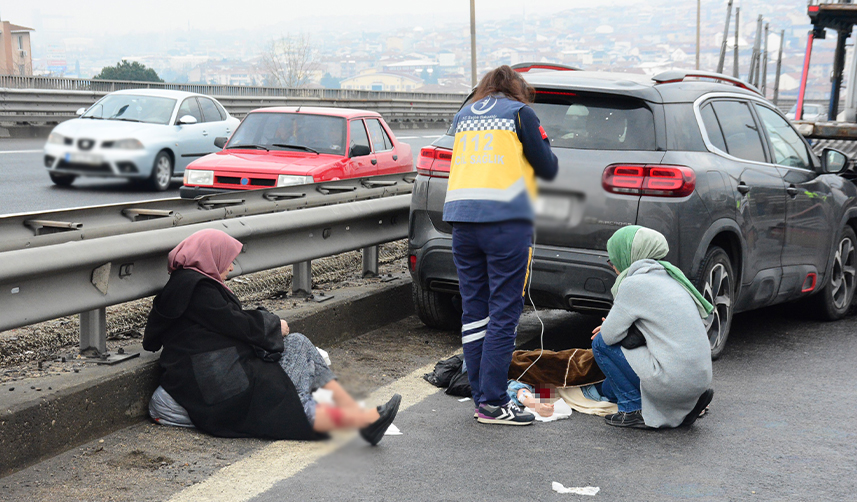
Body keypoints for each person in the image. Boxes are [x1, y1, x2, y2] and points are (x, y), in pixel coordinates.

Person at [142, 228, 400, 445]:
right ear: (211, 257)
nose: (231, 266)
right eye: (227, 259)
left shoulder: (187, 286)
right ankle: (358, 422)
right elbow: (237, 323)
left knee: (298, 345)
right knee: (289, 401)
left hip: (216, 370)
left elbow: (225, 322)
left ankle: (355, 414)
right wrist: (275, 326)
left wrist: (271, 327)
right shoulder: (198, 289)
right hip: (220, 382)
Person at [443, 65, 559, 425]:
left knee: (474, 310)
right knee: (504, 311)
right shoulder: (520, 113)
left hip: (463, 223)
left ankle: (482, 397)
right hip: (506, 223)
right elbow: (548, 168)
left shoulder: (464, 115)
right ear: (517, 89)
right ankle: (493, 402)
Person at [590, 225, 715, 429]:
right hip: (698, 381)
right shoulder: (671, 277)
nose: (613, 266)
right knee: (608, 388)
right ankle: (684, 406)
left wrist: (608, 328)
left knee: (601, 344)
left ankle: (632, 410)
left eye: (613, 260)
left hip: (673, 381)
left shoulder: (635, 284)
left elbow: (610, 336)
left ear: (627, 255)